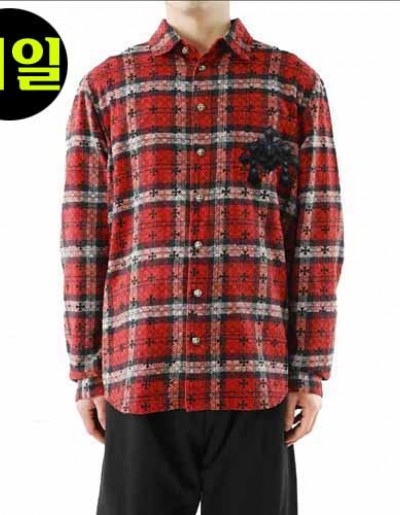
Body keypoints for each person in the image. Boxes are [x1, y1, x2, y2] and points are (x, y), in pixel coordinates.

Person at [60, 1, 344, 514]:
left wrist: (309, 369)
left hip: (255, 374)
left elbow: (317, 235)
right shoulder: (106, 88)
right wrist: (86, 369)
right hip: (141, 374)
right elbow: (83, 236)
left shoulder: (293, 85)